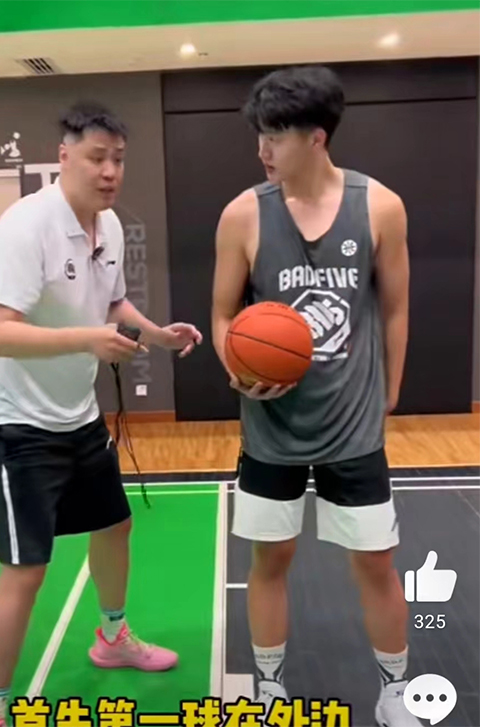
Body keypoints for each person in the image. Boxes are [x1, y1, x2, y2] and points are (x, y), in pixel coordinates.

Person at [0, 101, 202, 727]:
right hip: (18, 421)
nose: (110, 172)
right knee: (26, 571)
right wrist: (89, 340)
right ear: (64, 156)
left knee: (114, 526)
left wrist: (156, 334)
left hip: (77, 413)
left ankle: (113, 638)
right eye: (98, 158)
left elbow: (114, 302)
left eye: (118, 160)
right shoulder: (26, 227)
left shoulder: (109, 225)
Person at [211, 65, 418, 726]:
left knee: (376, 564)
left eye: (275, 136)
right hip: (271, 426)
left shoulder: (379, 206)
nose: (262, 150)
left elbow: (394, 307)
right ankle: (270, 686)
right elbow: (222, 315)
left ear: (317, 137)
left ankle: (394, 691)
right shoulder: (243, 215)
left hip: (352, 426)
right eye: (259, 135)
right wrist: (236, 365)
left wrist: (391, 390)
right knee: (269, 559)